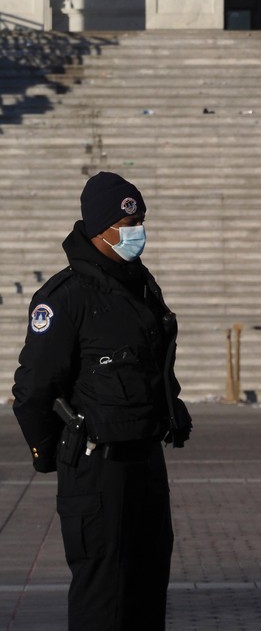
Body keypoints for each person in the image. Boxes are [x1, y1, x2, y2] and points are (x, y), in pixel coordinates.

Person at [12, 171, 192, 631]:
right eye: (126, 226)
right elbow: (33, 390)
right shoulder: (65, 297)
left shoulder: (142, 287)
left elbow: (154, 366)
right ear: (98, 231)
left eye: (141, 222)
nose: (138, 233)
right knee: (103, 595)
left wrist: (171, 407)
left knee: (148, 585)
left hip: (145, 461)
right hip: (96, 466)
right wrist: (54, 452)